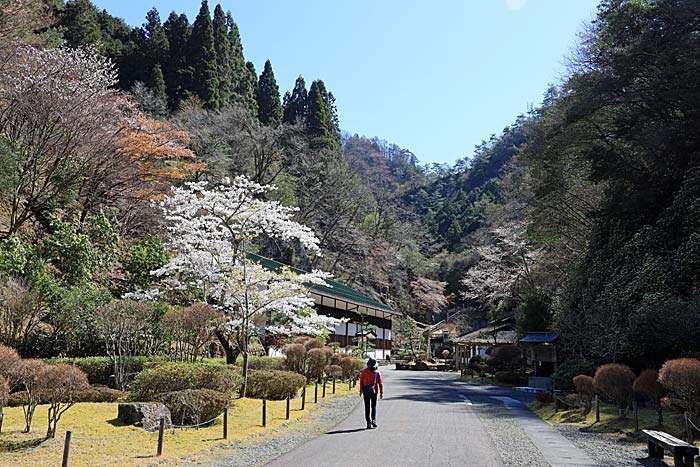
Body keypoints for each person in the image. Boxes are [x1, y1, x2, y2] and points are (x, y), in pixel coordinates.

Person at [359, 357, 383, 429]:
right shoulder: (377, 373)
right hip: (374, 392)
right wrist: (381, 392)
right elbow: (380, 384)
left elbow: (361, 383)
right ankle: (374, 420)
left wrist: (361, 391)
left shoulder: (364, 372)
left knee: (367, 407)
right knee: (373, 407)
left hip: (366, 391)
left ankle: (368, 422)